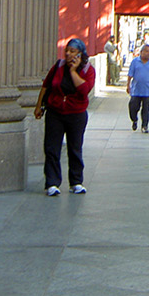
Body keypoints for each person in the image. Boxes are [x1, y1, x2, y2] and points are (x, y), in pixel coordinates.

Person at [38, 38, 96, 196]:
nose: (68, 54)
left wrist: (72, 71)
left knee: (75, 148)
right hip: (55, 112)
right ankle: (52, 183)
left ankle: (76, 182)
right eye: (67, 51)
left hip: (76, 114)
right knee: (52, 148)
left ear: (80, 54)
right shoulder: (59, 65)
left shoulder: (88, 70)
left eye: (73, 51)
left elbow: (84, 90)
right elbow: (46, 85)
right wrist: (39, 106)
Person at [126, 44, 149, 132]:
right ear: (141, 52)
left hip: (147, 91)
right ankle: (134, 120)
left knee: (146, 109)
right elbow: (130, 75)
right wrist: (128, 85)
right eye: (146, 51)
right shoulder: (135, 62)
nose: (148, 53)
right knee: (133, 106)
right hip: (136, 90)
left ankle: (144, 126)